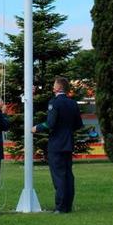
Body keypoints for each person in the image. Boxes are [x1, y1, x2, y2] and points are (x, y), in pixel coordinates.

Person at [32, 76, 84, 214]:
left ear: (59, 88)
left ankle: (60, 207)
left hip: (56, 144)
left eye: (54, 84)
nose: (52, 86)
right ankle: (67, 205)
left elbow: (50, 123)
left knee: (59, 176)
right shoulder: (73, 103)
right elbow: (78, 124)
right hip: (68, 142)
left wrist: (36, 128)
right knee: (68, 175)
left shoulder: (54, 102)